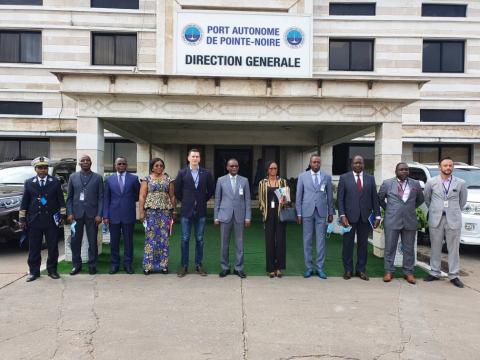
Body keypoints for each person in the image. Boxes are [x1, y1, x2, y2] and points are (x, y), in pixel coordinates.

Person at [19, 157, 66, 282]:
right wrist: (22, 219)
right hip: (34, 220)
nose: (42, 170)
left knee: (52, 247)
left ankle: (52, 270)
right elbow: (25, 202)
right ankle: (34, 272)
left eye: (45, 167)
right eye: (40, 167)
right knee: (34, 247)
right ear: (35, 169)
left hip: (51, 220)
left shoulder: (55, 182)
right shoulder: (29, 183)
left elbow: (61, 200)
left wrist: (62, 216)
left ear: (47, 169)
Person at [424, 157, 468, 288]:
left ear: (452, 167)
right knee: (435, 247)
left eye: (450, 165)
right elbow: (427, 199)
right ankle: (434, 272)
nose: (448, 168)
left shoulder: (460, 183)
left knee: (453, 249)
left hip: (453, 219)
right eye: (445, 165)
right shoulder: (431, 182)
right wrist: (436, 209)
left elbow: (462, 201)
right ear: (440, 167)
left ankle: (454, 275)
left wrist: (452, 211)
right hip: (436, 219)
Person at [378, 162, 424, 284]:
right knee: (390, 247)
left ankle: (408, 273)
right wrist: (389, 209)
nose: (404, 171)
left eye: (406, 170)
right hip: (392, 220)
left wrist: (409, 208)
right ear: (396, 171)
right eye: (401, 170)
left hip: (409, 220)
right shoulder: (387, 183)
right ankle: (388, 271)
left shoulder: (415, 184)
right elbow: (380, 198)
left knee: (409, 248)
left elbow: (420, 199)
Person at [338, 155, 381, 281]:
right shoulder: (344, 178)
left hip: (365, 218)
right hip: (349, 218)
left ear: (363, 164)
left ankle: (361, 270)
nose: (358, 165)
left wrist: (377, 215)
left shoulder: (370, 179)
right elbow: (340, 199)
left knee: (363, 245)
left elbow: (375, 199)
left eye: (360, 163)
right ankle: (348, 270)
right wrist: (342, 215)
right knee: (347, 245)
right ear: (352, 164)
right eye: (356, 163)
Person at [174, 149, 215, 277]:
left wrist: (201, 200)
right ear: (188, 158)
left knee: (200, 239)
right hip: (186, 211)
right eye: (193, 156)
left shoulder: (206, 173)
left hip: (201, 211)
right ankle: (184, 265)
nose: (195, 158)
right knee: (185, 239)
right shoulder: (182, 173)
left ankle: (198, 265)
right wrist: (187, 201)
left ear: (200, 159)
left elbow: (211, 190)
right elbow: (177, 191)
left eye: (197, 156)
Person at [296, 154, 334, 279]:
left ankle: (320, 268)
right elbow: (298, 196)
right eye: (314, 162)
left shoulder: (326, 177)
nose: (316, 164)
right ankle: (308, 268)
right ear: (310, 163)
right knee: (307, 241)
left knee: (321, 242)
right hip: (307, 212)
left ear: (320, 163)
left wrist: (330, 213)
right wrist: (299, 213)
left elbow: (330, 196)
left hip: (321, 213)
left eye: (318, 162)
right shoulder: (302, 176)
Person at [67, 155, 104, 275]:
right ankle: (76, 265)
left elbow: (101, 198)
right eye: (83, 160)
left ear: (91, 163)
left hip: (92, 215)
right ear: (79, 163)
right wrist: (70, 213)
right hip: (76, 215)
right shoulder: (73, 177)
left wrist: (99, 214)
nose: (85, 162)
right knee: (75, 241)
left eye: (87, 160)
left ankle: (92, 265)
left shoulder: (98, 178)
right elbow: (69, 198)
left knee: (93, 241)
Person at [214, 158, 251, 278]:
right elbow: (217, 199)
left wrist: (248, 217)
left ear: (238, 167)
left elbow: (247, 200)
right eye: (231, 166)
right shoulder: (221, 180)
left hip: (240, 216)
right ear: (227, 167)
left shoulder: (244, 181)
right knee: (224, 244)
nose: (234, 168)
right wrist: (216, 216)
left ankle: (238, 268)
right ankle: (225, 267)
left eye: (236, 166)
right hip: (225, 216)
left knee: (239, 244)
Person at [139, 158, 176, 275]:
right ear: (152, 167)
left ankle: (163, 265)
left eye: (161, 165)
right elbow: (142, 196)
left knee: (163, 238)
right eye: (156, 165)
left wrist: (174, 211)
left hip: (165, 212)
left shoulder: (169, 179)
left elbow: (172, 196)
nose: (159, 167)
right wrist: (141, 212)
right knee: (150, 238)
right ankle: (148, 266)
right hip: (150, 212)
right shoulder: (146, 179)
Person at [103, 157, 140, 275]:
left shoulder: (134, 179)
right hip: (113, 216)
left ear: (127, 165)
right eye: (119, 164)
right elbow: (106, 198)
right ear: (115, 165)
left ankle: (128, 264)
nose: (121, 165)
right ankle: (114, 265)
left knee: (129, 241)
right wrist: (105, 215)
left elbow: (137, 195)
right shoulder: (109, 180)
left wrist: (127, 202)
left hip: (128, 214)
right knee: (114, 242)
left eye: (124, 163)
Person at [258, 161, 289, 278]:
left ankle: (279, 268)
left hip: (280, 214)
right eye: (271, 168)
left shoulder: (282, 182)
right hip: (268, 215)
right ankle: (271, 268)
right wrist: (263, 211)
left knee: (280, 241)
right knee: (270, 241)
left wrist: (284, 200)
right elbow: (260, 199)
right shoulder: (262, 183)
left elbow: (286, 199)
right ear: (267, 170)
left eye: (275, 168)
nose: (273, 170)